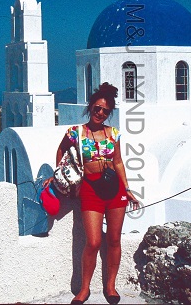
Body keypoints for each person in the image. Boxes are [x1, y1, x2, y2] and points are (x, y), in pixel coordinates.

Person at [45, 82, 140, 305]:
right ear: (91, 107)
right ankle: (84, 289)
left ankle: (110, 286)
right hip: (90, 189)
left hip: (115, 189)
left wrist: (127, 188)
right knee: (94, 241)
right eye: (97, 108)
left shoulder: (113, 133)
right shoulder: (75, 132)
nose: (100, 113)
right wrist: (58, 173)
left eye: (105, 110)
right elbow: (61, 149)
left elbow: (117, 162)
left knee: (114, 239)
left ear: (109, 113)